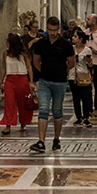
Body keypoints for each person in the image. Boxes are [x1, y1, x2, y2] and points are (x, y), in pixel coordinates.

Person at [30, 17, 75, 153]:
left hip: (60, 82)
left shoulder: (65, 44)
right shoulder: (41, 43)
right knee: (43, 109)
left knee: (57, 111)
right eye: (50, 30)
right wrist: (43, 70)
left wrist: (62, 70)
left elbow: (71, 62)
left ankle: (56, 138)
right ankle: (41, 141)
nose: (52, 33)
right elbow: (35, 61)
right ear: (47, 28)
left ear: (59, 29)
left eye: (55, 30)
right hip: (45, 81)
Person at [0, 32, 34, 135]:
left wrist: (31, 82)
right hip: (10, 80)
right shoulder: (5, 53)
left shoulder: (24, 54)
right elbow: (4, 68)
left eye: (8, 41)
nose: (6, 43)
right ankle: (8, 125)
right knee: (9, 103)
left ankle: (23, 122)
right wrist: (1, 81)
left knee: (23, 103)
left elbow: (29, 68)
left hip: (22, 79)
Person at [69, 29, 94, 127]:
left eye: (75, 36)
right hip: (73, 76)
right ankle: (78, 117)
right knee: (76, 98)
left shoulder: (87, 50)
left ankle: (86, 117)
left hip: (84, 76)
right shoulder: (71, 49)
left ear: (80, 39)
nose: (73, 38)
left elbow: (91, 65)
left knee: (85, 97)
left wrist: (89, 61)